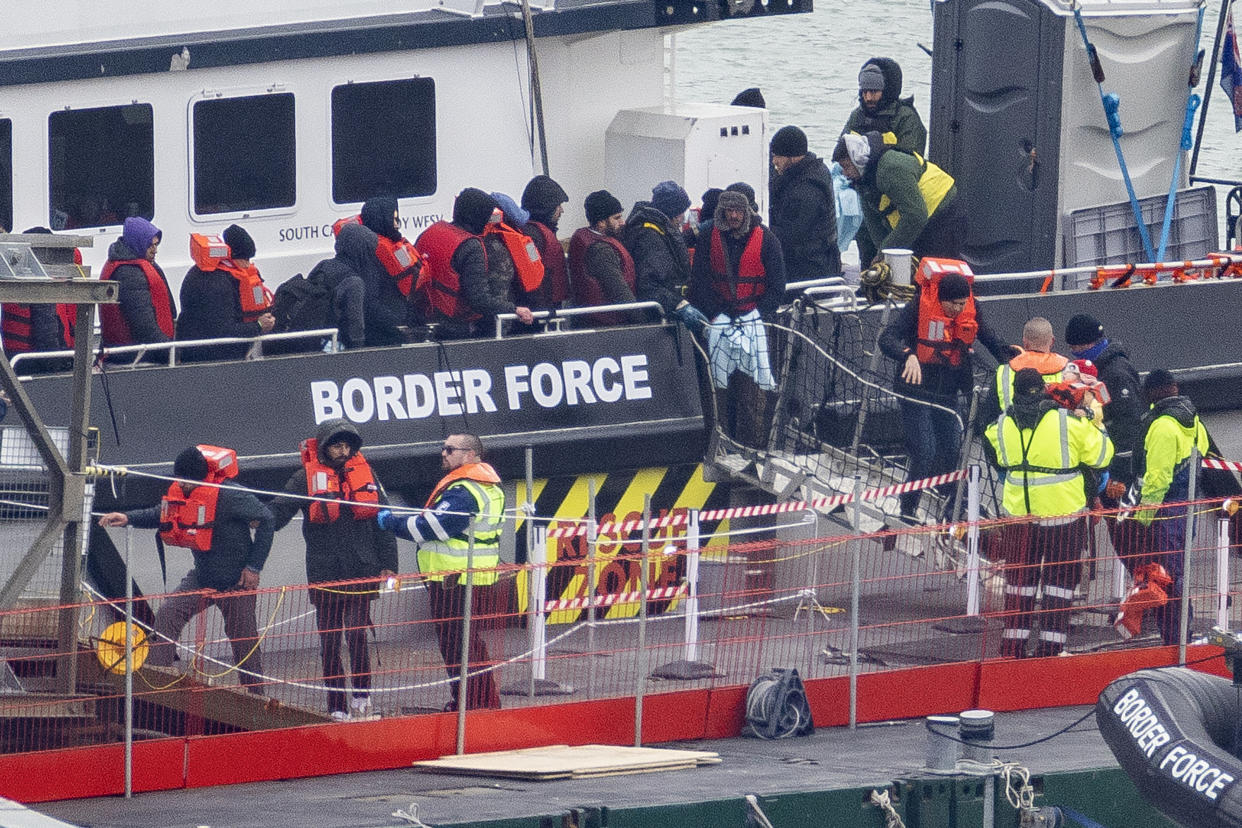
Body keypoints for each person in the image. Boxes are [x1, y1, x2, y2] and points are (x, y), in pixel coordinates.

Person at [97, 446, 274, 690]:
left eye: (186, 479)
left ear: (199, 477)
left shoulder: (231, 496)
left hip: (237, 582)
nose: (181, 484)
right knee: (168, 613)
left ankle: (257, 696)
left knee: (244, 641)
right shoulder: (184, 492)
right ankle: (157, 681)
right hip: (202, 577)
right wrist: (128, 517)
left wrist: (254, 567)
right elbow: (162, 514)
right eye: (178, 478)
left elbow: (267, 519)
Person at [267, 419, 398, 720]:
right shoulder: (303, 479)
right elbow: (278, 513)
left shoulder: (367, 476)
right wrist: (254, 517)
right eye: (337, 445)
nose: (343, 450)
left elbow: (384, 522)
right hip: (324, 574)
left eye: (347, 445)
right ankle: (336, 706)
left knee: (356, 637)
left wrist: (389, 564)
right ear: (325, 446)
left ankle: (362, 698)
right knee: (329, 643)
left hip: (362, 568)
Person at [984, 369, 1114, 658]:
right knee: (1060, 582)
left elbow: (997, 453)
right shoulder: (1068, 422)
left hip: (1020, 515)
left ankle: (1012, 648)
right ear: (1042, 389)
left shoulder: (1001, 424)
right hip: (1063, 513)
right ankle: (1050, 649)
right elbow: (1102, 455)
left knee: (1020, 583)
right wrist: (1095, 424)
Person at [375, 433, 504, 710]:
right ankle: (475, 703)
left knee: (458, 646)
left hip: (455, 581)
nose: (443, 453)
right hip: (472, 578)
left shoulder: (464, 491)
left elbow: (431, 527)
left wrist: (391, 522)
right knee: (466, 644)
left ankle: (475, 705)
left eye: (450, 449)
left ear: (469, 454)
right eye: (443, 448)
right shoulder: (488, 486)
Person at [878, 267, 1011, 520]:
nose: (958, 310)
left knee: (952, 448)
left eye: (962, 304)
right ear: (941, 299)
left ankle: (951, 501)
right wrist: (908, 356)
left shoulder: (971, 308)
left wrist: (1010, 359)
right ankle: (908, 507)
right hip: (914, 389)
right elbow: (887, 338)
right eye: (953, 305)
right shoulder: (919, 306)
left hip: (948, 391)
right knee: (925, 450)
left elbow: (990, 339)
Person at [689, 189, 786, 448]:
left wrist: (756, 314)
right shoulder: (709, 237)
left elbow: (777, 287)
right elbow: (699, 282)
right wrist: (716, 313)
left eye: (738, 211)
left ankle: (753, 449)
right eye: (728, 211)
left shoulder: (767, 239)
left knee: (753, 394)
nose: (733, 216)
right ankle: (721, 445)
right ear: (721, 212)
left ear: (746, 212)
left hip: (753, 324)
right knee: (719, 391)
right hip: (719, 322)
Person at [1120, 369, 1210, 646]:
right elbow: (1203, 451)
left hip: (1165, 512)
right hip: (1187, 507)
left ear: (1153, 392)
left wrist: (1144, 517)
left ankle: (1173, 640)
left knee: (1163, 577)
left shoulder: (1161, 426)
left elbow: (1157, 478)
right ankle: (1182, 634)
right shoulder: (1190, 418)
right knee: (1177, 573)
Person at [414, 188, 535, 339]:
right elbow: (479, 299)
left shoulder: (430, 232)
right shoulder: (471, 246)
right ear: (479, 216)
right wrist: (514, 309)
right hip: (454, 328)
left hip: (422, 319)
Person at [834, 130, 964, 268]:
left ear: (858, 159)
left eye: (846, 166)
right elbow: (874, 223)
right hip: (921, 218)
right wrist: (881, 255)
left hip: (944, 212)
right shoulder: (863, 180)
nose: (844, 173)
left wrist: (885, 253)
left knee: (935, 272)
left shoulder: (890, 169)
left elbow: (916, 215)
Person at [1063, 314, 1144, 492]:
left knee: (1122, 517)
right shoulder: (1093, 369)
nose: (1073, 352)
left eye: (1076, 347)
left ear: (1089, 344)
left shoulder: (1117, 374)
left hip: (1118, 467)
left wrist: (1119, 476)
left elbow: (1129, 424)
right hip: (1102, 456)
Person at [176, 224, 276, 362]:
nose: (248, 265)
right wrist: (258, 326)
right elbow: (222, 331)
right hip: (208, 358)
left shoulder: (201, 272)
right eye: (245, 259)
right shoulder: (216, 283)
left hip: (205, 352)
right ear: (231, 256)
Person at [623, 181, 708, 331]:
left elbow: (673, 245)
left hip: (668, 311)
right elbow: (648, 285)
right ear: (674, 213)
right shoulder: (650, 236)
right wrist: (678, 305)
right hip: (659, 320)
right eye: (682, 211)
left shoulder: (658, 228)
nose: (683, 217)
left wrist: (697, 231)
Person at [768, 125, 841, 281]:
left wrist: (756, 228)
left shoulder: (807, 190)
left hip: (811, 269)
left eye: (778, 156)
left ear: (792, 157)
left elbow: (790, 234)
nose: (774, 161)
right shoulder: (812, 170)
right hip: (817, 261)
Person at [99, 216, 176, 357]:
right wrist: (172, 353)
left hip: (137, 353)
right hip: (135, 356)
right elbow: (144, 327)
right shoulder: (129, 274)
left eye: (156, 245)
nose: (155, 250)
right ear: (138, 243)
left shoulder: (133, 266)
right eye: (150, 245)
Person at [1, 227, 77, 370]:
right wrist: (56, 367)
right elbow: (46, 330)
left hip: (15, 359)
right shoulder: (40, 283)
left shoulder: (14, 277)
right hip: (33, 362)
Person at [567, 190, 644, 327]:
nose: (622, 222)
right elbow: (619, 291)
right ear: (601, 222)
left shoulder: (585, 239)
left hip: (589, 322)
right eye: (616, 218)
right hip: (607, 326)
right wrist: (643, 320)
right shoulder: (601, 251)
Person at [978, 317, 1068, 427]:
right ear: (1052, 341)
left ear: (1025, 343)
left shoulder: (1004, 372)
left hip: (1012, 438)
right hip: (1055, 438)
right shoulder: (1068, 370)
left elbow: (990, 416)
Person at [842, 58, 927, 155]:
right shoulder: (857, 116)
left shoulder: (906, 118)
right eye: (865, 92)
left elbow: (911, 162)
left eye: (874, 91)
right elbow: (841, 153)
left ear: (887, 91)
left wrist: (877, 151)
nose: (868, 98)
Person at [484, 192, 545, 325]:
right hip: (523, 309)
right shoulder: (526, 240)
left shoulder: (485, 242)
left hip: (508, 312)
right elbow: (537, 265)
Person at [520, 175, 571, 309]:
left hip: (545, 309)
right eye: (558, 206)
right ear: (546, 208)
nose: (562, 210)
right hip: (540, 313)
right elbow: (532, 271)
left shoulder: (534, 233)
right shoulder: (530, 238)